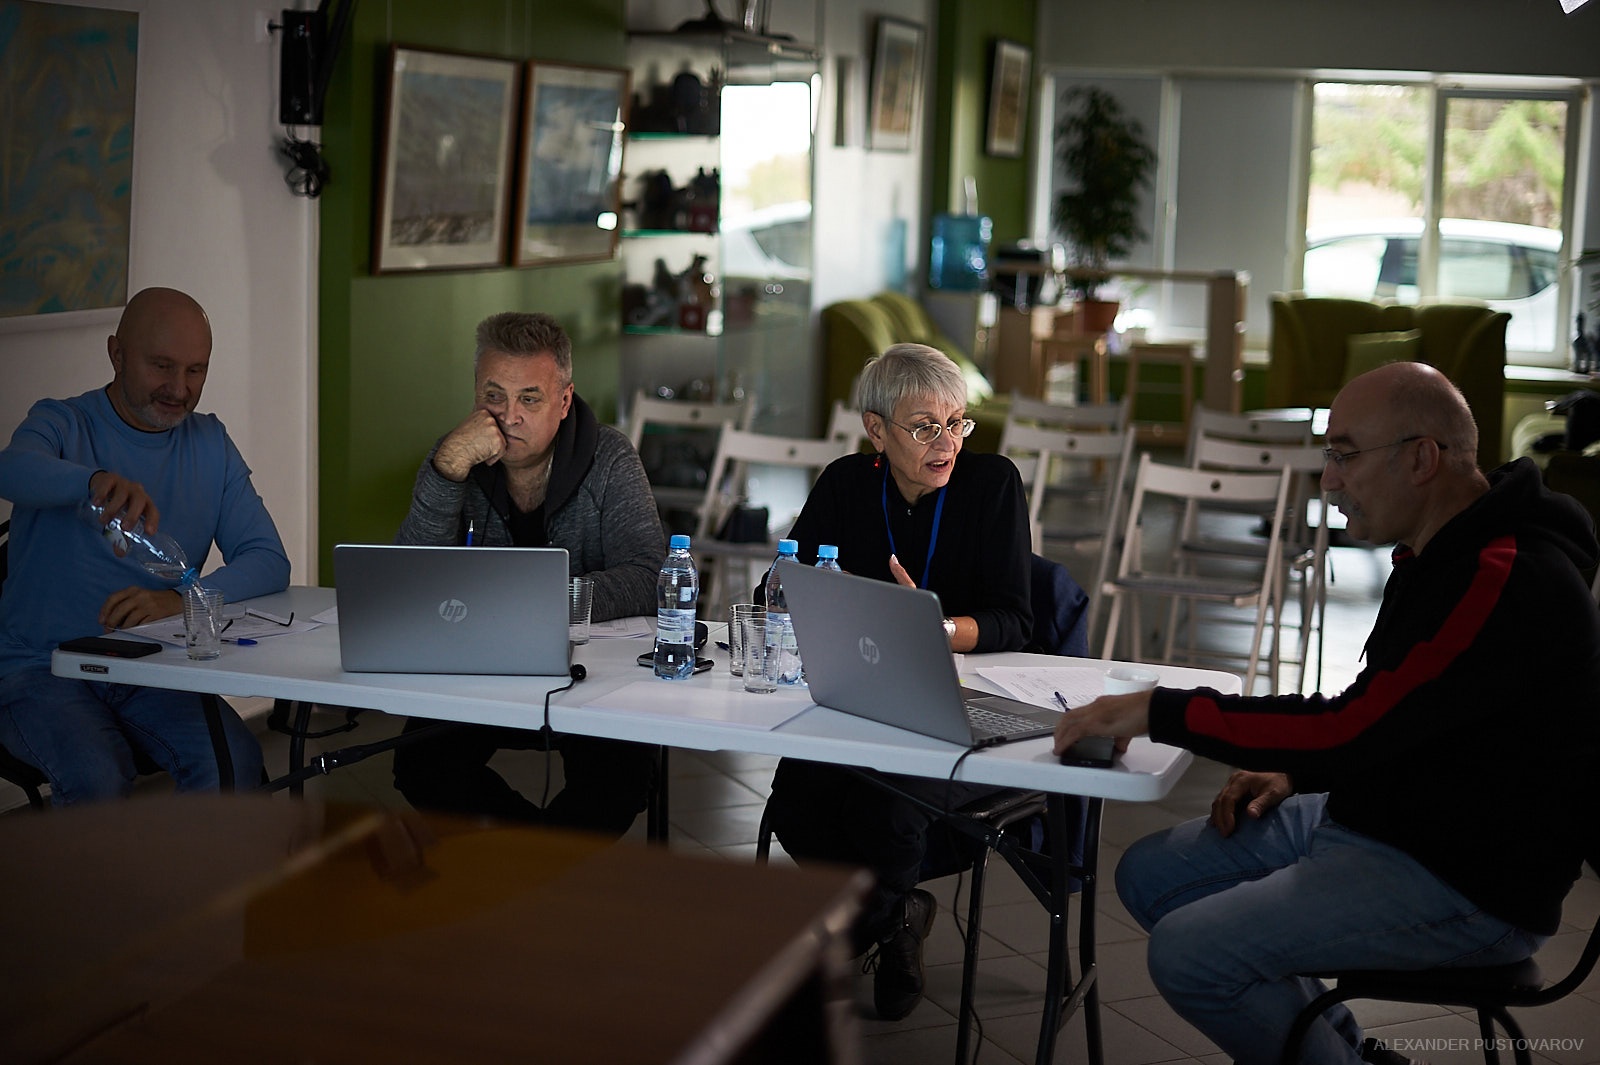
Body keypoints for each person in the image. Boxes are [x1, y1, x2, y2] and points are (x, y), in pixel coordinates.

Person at [1052, 361, 1600, 1065]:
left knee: (1189, 954)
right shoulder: (1444, 546)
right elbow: (1403, 719)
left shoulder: (1503, 576)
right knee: (1150, 874)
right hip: (1393, 818)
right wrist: (1297, 770)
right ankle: (1348, 1052)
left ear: (1421, 459)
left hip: (1468, 880)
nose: (1328, 480)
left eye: (1344, 455)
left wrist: (1158, 711)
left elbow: (1353, 726)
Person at [763, 343, 1033, 1020]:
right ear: (876, 430)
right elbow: (790, 583)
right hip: (864, 692)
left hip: (964, 701)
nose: (948, 442)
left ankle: (863, 928)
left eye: (957, 422)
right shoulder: (846, 484)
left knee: (886, 806)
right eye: (925, 427)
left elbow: (1015, 620)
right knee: (795, 799)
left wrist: (934, 627)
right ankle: (896, 916)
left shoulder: (992, 484)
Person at [0, 287, 291, 804]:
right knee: (97, 777)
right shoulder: (62, 422)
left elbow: (268, 559)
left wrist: (183, 599)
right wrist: (90, 482)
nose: (179, 389)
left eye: (196, 370)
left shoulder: (210, 443)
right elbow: (11, 470)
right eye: (161, 366)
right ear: (117, 354)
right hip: (41, 667)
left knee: (234, 763)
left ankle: (196, 863)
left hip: (150, 663)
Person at [391, 311, 666, 839]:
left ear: (564, 401)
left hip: (593, 675)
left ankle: (528, 873)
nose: (509, 416)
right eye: (493, 396)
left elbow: (650, 574)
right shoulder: (456, 456)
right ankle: (540, 867)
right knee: (422, 765)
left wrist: (536, 599)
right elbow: (408, 577)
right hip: (483, 670)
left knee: (620, 779)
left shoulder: (610, 458)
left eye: (530, 399)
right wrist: (447, 471)